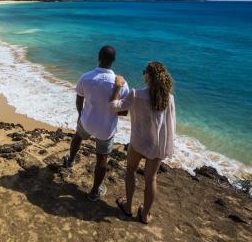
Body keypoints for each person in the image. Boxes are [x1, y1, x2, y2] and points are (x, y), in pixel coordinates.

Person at [111, 61, 176, 224]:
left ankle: (128, 207)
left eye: (144, 72)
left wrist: (118, 87)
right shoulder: (169, 98)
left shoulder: (135, 94)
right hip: (157, 145)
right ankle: (145, 215)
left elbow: (114, 107)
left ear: (148, 75)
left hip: (138, 142)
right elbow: (170, 123)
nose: (143, 75)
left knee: (131, 171)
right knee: (151, 179)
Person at [64, 46, 129, 201]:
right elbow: (123, 112)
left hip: (87, 121)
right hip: (106, 128)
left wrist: (81, 115)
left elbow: (79, 100)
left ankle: (70, 161)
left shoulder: (85, 77)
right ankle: (94, 191)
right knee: (102, 159)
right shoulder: (122, 84)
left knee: (78, 136)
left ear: (98, 57)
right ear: (113, 60)